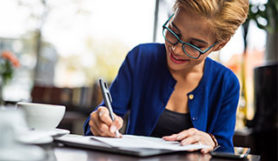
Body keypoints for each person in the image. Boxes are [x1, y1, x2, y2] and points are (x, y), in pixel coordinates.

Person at [84, 0, 249, 153]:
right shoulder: (140, 58)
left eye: (194, 45)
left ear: (220, 44)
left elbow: (226, 151)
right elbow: (99, 122)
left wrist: (212, 141)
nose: (176, 49)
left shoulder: (226, 83)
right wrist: (99, 124)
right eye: (174, 32)